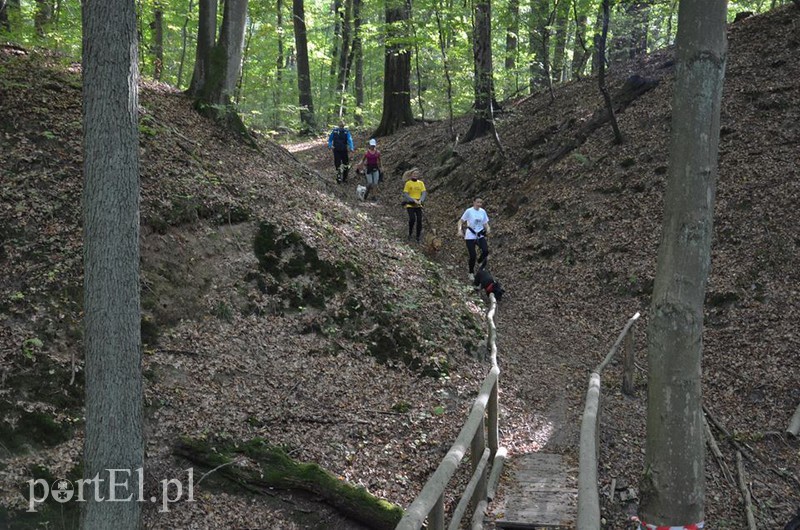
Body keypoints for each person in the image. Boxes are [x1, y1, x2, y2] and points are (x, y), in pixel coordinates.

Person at [458, 198, 490, 280]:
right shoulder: (469, 211)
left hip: (480, 234)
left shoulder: (482, 212)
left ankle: (479, 261)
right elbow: (460, 221)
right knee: (473, 256)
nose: (479, 204)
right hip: (470, 235)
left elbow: (485, 223)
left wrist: (488, 228)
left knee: (485, 250)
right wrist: (460, 230)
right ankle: (471, 272)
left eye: (481, 202)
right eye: (477, 202)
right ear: (474, 202)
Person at [402, 168, 426, 243]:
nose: (415, 175)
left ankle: (418, 236)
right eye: (414, 174)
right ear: (411, 175)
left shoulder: (421, 183)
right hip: (410, 204)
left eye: (417, 174)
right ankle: (410, 233)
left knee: (419, 220)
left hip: (418, 204)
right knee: (412, 219)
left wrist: (421, 200)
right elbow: (406, 194)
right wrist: (413, 200)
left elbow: (424, 192)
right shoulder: (408, 183)